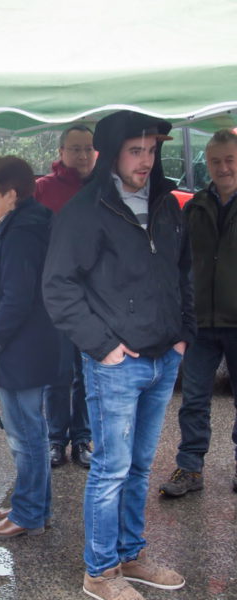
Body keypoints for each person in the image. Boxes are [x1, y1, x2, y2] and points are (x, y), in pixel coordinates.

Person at [42, 110, 196, 600]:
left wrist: (182, 334)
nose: (146, 160)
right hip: (117, 365)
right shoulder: (86, 210)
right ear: (112, 154)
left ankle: (131, 555)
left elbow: (183, 271)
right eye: (136, 150)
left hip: (162, 356)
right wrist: (104, 347)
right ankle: (100, 572)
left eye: (152, 151)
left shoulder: (168, 205)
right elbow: (58, 287)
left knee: (141, 465)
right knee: (110, 469)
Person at [0, 155, 62, 539]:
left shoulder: (23, 232)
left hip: (20, 350)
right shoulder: (23, 222)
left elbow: (17, 298)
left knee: (25, 435)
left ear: (11, 193)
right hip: (28, 348)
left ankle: (27, 514)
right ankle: (34, 506)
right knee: (32, 432)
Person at [159, 129, 237, 498]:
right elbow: (178, 261)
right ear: (208, 163)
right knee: (193, 399)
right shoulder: (195, 207)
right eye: (216, 161)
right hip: (201, 321)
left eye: (230, 160)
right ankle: (190, 468)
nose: (223, 168)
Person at [35, 125, 96, 469]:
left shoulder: (104, 187)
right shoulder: (43, 189)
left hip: (94, 299)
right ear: (60, 152)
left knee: (87, 373)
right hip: (55, 298)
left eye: (88, 148)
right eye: (75, 149)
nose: (83, 155)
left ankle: (82, 439)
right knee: (58, 373)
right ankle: (55, 440)